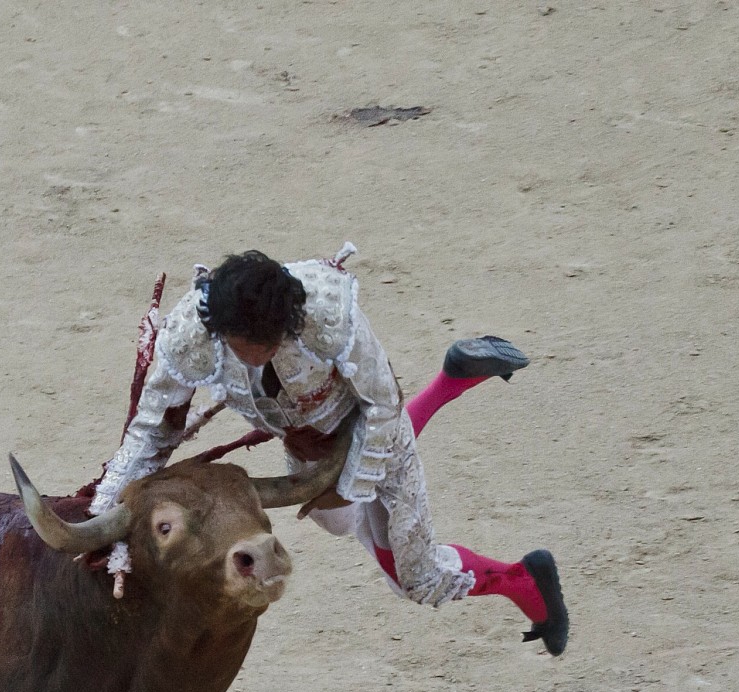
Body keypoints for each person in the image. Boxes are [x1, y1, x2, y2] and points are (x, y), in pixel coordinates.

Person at [90, 247, 568, 654]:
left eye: (269, 341)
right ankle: (454, 376)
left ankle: (524, 579)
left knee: (413, 577)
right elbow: (150, 430)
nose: (257, 354)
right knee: (337, 521)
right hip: (310, 437)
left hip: (369, 422)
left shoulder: (329, 315)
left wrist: (350, 487)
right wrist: (106, 508)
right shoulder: (188, 334)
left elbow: (382, 404)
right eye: (244, 344)